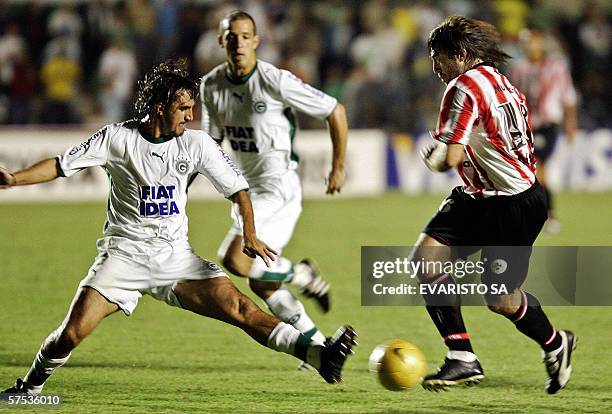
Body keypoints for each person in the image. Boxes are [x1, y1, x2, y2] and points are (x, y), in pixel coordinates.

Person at [0, 59, 356, 396]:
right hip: (123, 257)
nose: (191, 115)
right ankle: (29, 388)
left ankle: (319, 356)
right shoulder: (117, 139)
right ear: (159, 107)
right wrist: (15, 179)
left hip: (176, 259)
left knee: (241, 309)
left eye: (192, 108)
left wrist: (249, 232)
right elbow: (61, 166)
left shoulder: (197, 143)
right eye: (183, 108)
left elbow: (238, 190)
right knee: (71, 334)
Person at [416, 16, 575, 393]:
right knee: (427, 259)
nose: (435, 67)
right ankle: (462, 358)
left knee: (501, 299)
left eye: (438, 57)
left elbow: (450, 157)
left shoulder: (463, 86)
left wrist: (435, 157)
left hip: (511, 205)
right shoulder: (503, 82)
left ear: (461, 55)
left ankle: (556, 343)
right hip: (484, 197)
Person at [200, 10, 349, 357]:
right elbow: (209, 144)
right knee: (261, 281)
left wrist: (338, 166)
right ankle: (318, 345)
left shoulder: (274, 80)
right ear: (221, 41)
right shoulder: (211, 85)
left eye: (245, 36)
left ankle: (301, 275)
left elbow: (335, 110)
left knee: (235, 258)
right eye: (231, 36)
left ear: (256, 41)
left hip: (278, 187)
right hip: (245, 194)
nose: (238, 42)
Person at [509, 29, 578, 233]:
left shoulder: (556, 67)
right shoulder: (517, 68)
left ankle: (548, 213)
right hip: (525, 126)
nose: (529, 46)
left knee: (538, 168)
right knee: (531, 172)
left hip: (547, 124)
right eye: (526, 42)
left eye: (533, 42)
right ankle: (540, 213)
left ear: (541, 44)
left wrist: (571, 124)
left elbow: (568, 97)